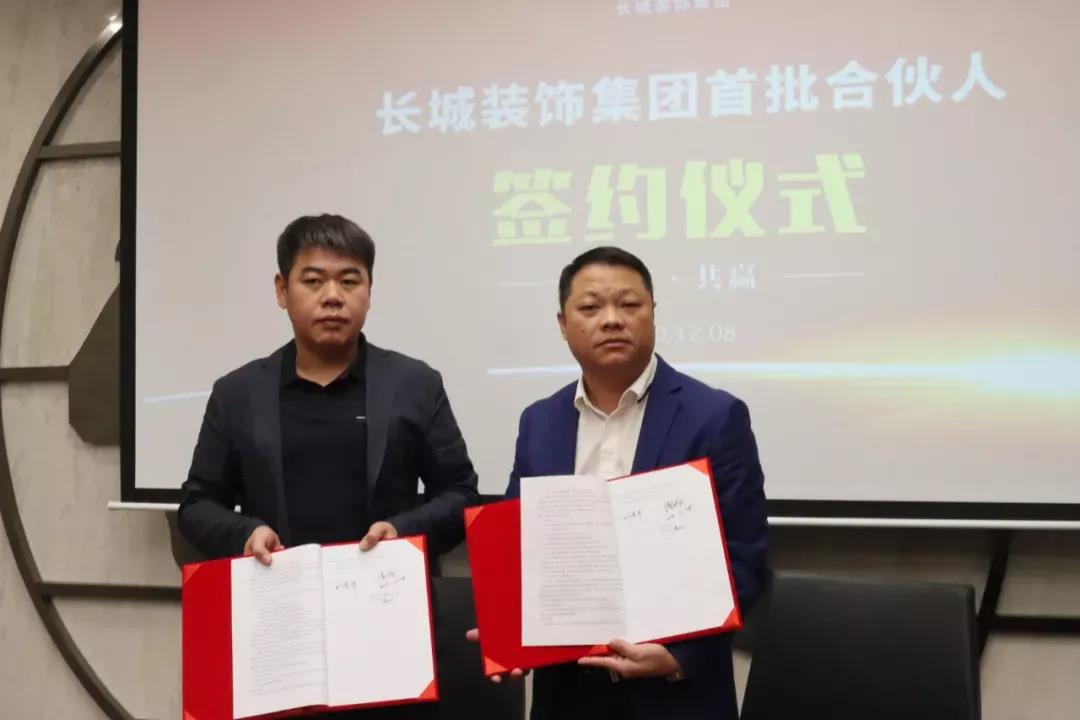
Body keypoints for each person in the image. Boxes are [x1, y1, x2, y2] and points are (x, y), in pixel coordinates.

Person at [178, 213, 479, 719]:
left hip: (388, 632)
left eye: (349, 281)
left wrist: (402, 532)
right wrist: (246, 533)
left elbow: (460, 494)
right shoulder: (238, 393)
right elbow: (197, 504)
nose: (333, 296)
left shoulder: (414, 383)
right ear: (282, 290)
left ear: (370, 291)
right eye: (314, 281)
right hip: (277, 632)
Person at [469, 246, 768, 720]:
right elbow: (517, 544)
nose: (612, 319)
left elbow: (744, 554)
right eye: (590, 307)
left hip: (673, 695)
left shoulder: (714, 416)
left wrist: (680, 656)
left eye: (629, 304)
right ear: (563, 324)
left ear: (653, 312)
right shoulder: (539, 421)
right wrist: (507, 632)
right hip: (566, 692)